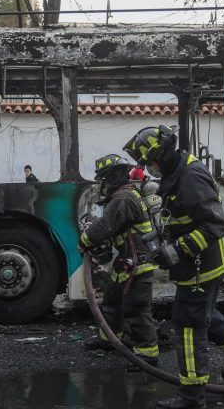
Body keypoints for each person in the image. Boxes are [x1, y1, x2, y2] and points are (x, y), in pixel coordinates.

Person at [123, 126, 224, 409]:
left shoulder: (190, 177)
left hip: (201, 266)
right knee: (204, 312)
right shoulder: (179, 171)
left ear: (161, 155)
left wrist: (179, 249)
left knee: (187, 325)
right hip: (203, 264)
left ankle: (192, 396)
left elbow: (214, 224)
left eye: (150, 163)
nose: (150, 170)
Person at [78, 154, 160, 371]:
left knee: (136, 308)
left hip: (138, 264)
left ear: (113, 177)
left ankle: (147, 356)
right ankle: (111, 339)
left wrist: (85, 240)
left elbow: (105, 227)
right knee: (112, 299)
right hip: (127, 261)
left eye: (104, 178)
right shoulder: (123, 196)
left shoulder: (123, 199)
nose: (102, 183)